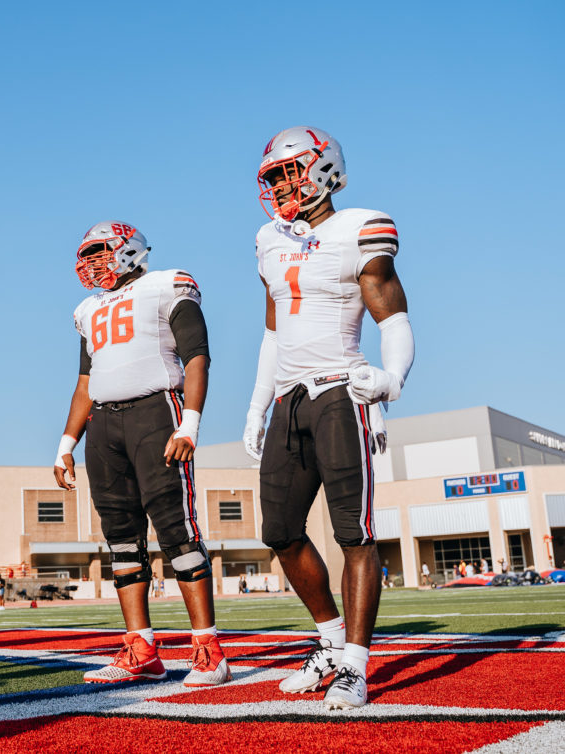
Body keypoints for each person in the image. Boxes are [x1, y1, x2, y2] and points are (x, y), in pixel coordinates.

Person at [242, 127, 414, 710]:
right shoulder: (268, 238)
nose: (279, 187)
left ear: (325, 170)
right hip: (288, 398)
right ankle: (332, 643)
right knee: (280, 531)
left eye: (288, 173)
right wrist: (257, 405)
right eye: (272, 177)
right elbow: (273, 332)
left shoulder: (361, 226)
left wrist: (392, 379)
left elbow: (393, 316)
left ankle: (356, 666)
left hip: (342, 391)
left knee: (354, 533)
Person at [54, 220, 230, 687]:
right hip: (102, 423)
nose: (92, 263)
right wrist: (66, 443)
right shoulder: (87, 310)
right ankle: (141, 648)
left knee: (176, 528)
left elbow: (197, 356)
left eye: (100, 252)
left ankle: (208, 649)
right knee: (121, 538)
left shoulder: (167, 285)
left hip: (157, 411)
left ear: (130, 250)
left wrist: (189, 424)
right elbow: (85, 382)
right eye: (87, 256)